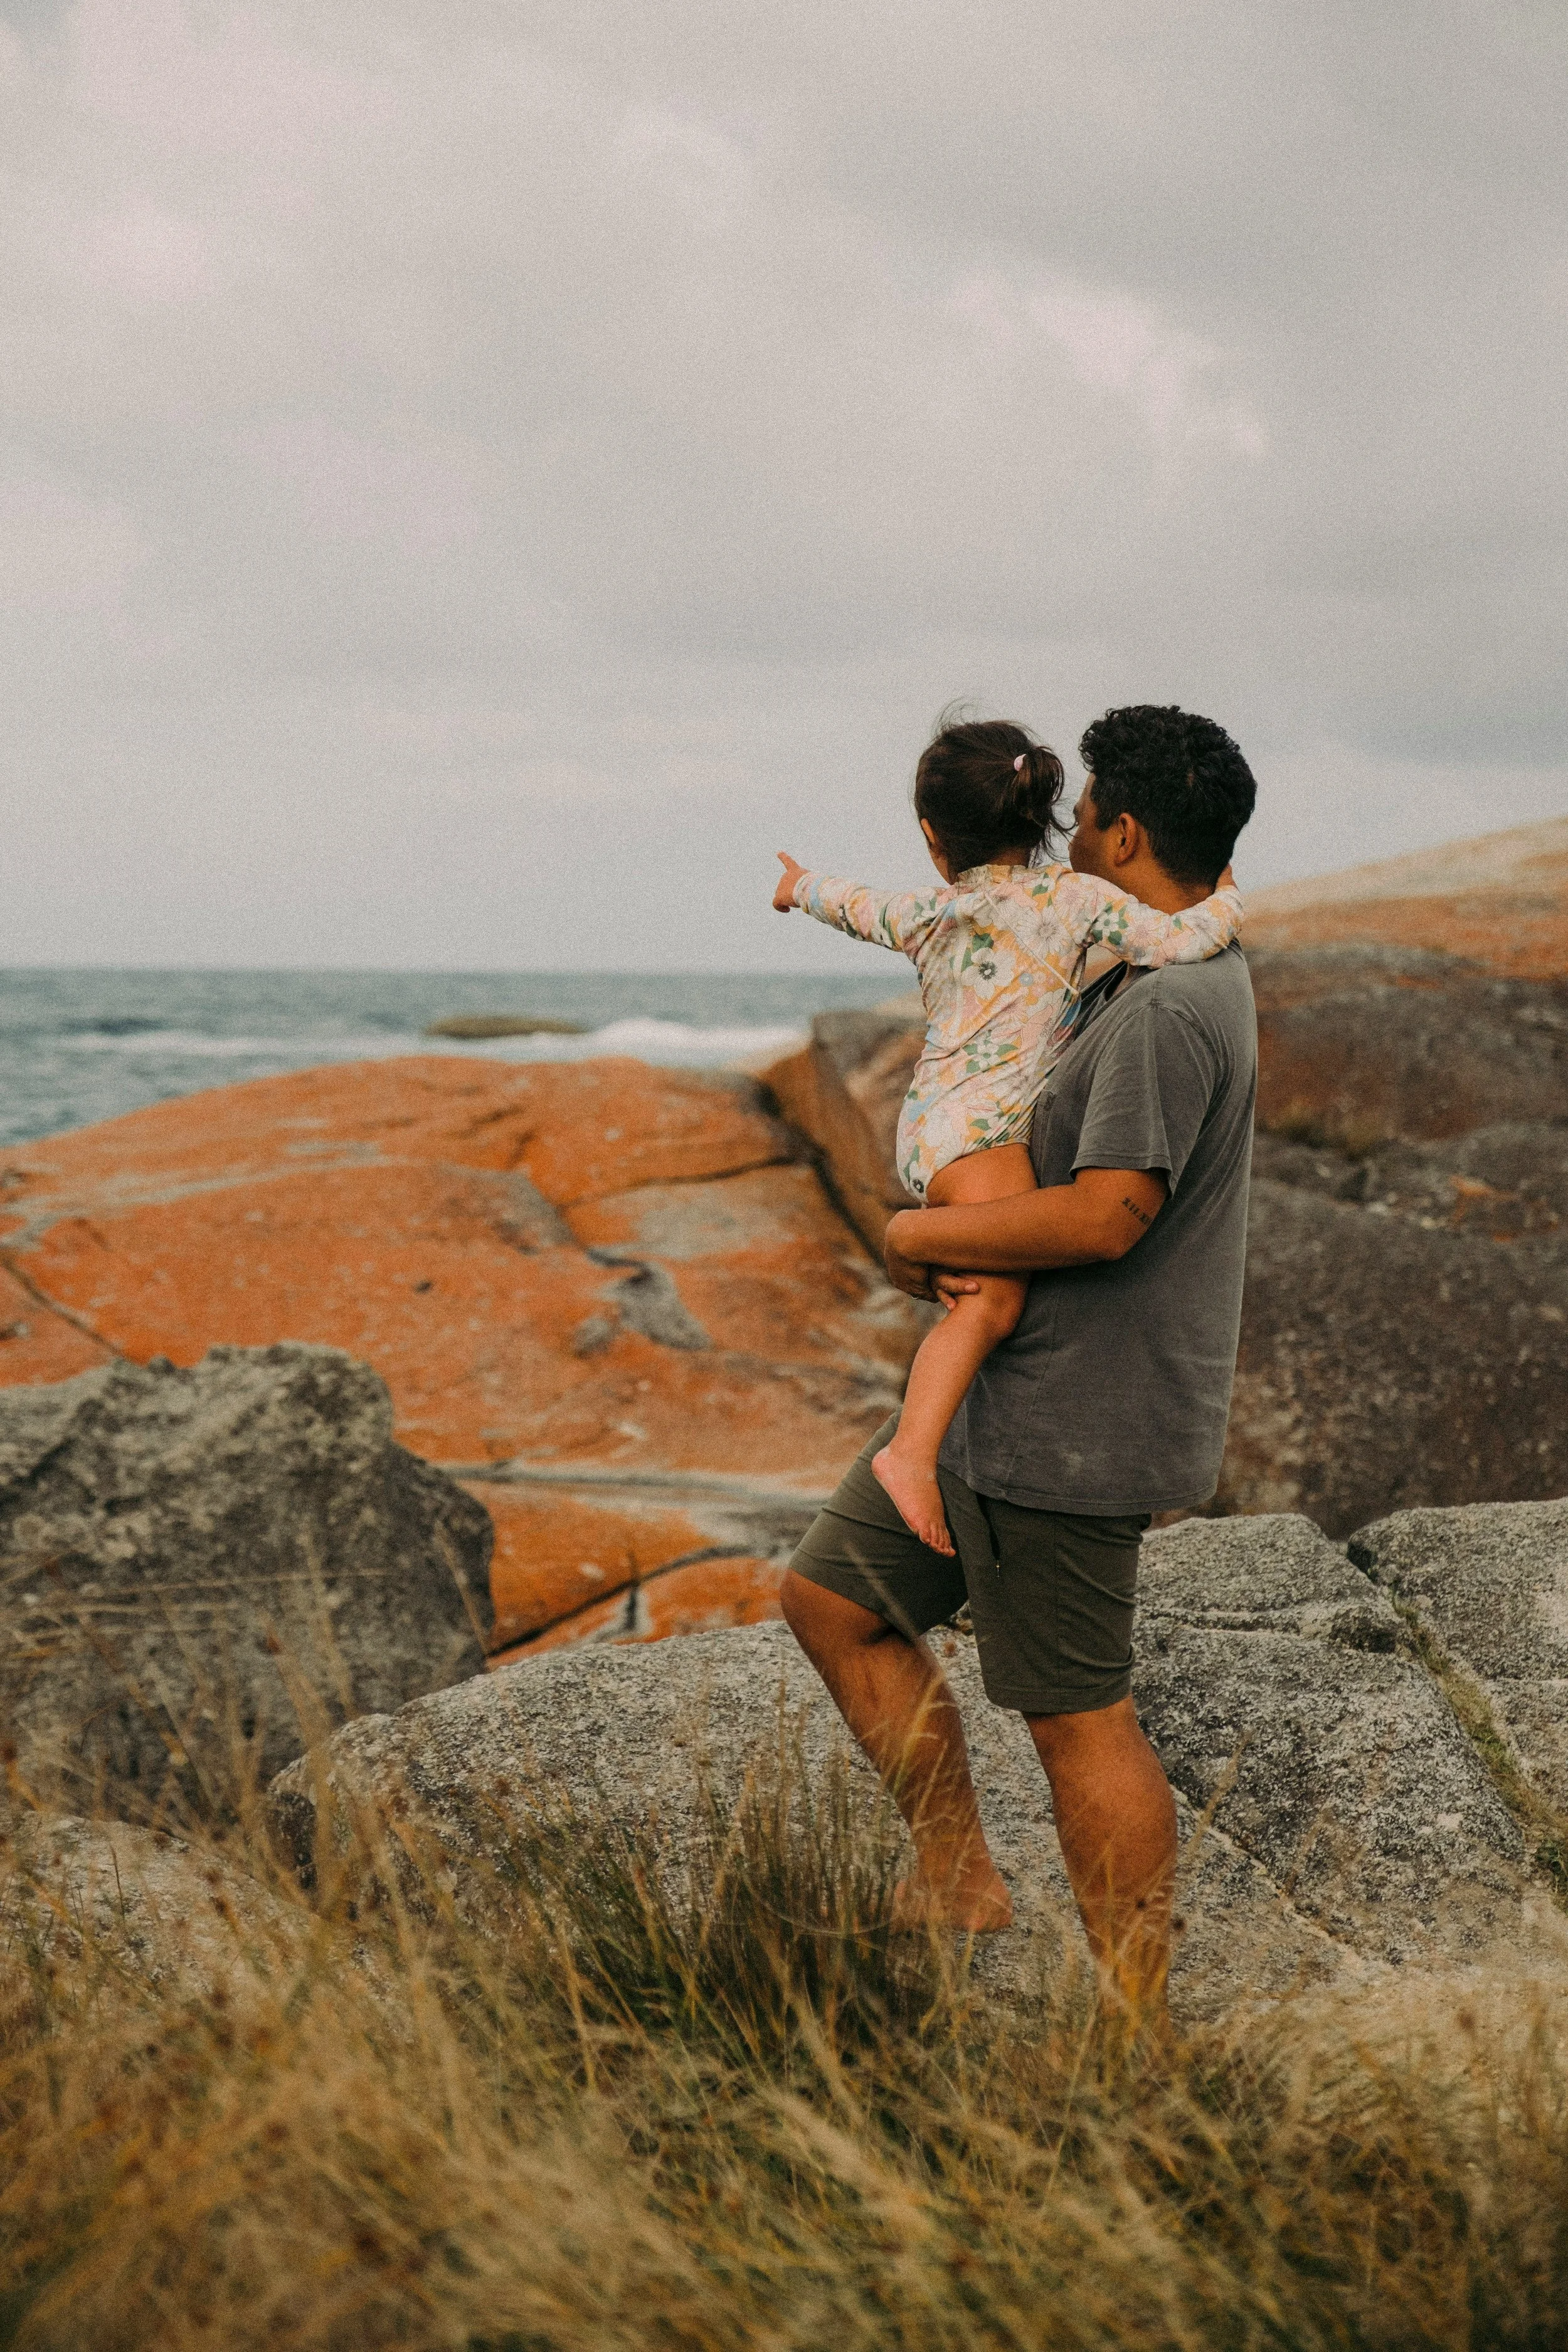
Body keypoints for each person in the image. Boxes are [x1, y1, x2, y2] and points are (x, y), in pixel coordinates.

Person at [779, 703, 1259, 2028]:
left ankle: (1136, 2038)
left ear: (1123, 828)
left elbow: (1108, 1215)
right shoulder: (1116, 959)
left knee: (1076, 1721)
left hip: (1071, 1424)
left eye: (1090, 809)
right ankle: (957, 1873)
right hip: (1002, 1404)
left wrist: (914, 1230)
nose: (1071, 833)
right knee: (831, 1601)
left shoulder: (1170, 1007)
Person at [773, 712, 1242, 1557]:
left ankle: (923, 1459)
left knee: (976, 1285)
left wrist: (798, 884)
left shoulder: (929, 910)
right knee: (992, 1297)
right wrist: (1230, 894)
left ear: (931, 836)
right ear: (1043, 817)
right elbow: (1180, 936)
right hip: (986, 1135)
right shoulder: (1078, 900)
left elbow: (853, 905)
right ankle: (912, 1456)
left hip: (936, 1122)